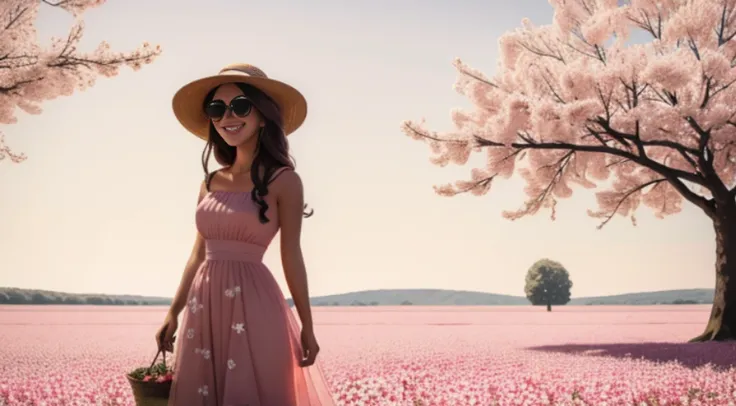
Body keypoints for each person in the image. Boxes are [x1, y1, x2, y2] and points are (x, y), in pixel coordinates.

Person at [155, 63, 335, 405]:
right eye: (216, 108)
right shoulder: (209, 183)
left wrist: (307, 325)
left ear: (263, 116)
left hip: (255, 304)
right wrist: (173, 311)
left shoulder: (284, 181)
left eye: (239, 106)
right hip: (203, 305)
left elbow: (291, 254)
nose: (227, 117)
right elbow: (197, 253)